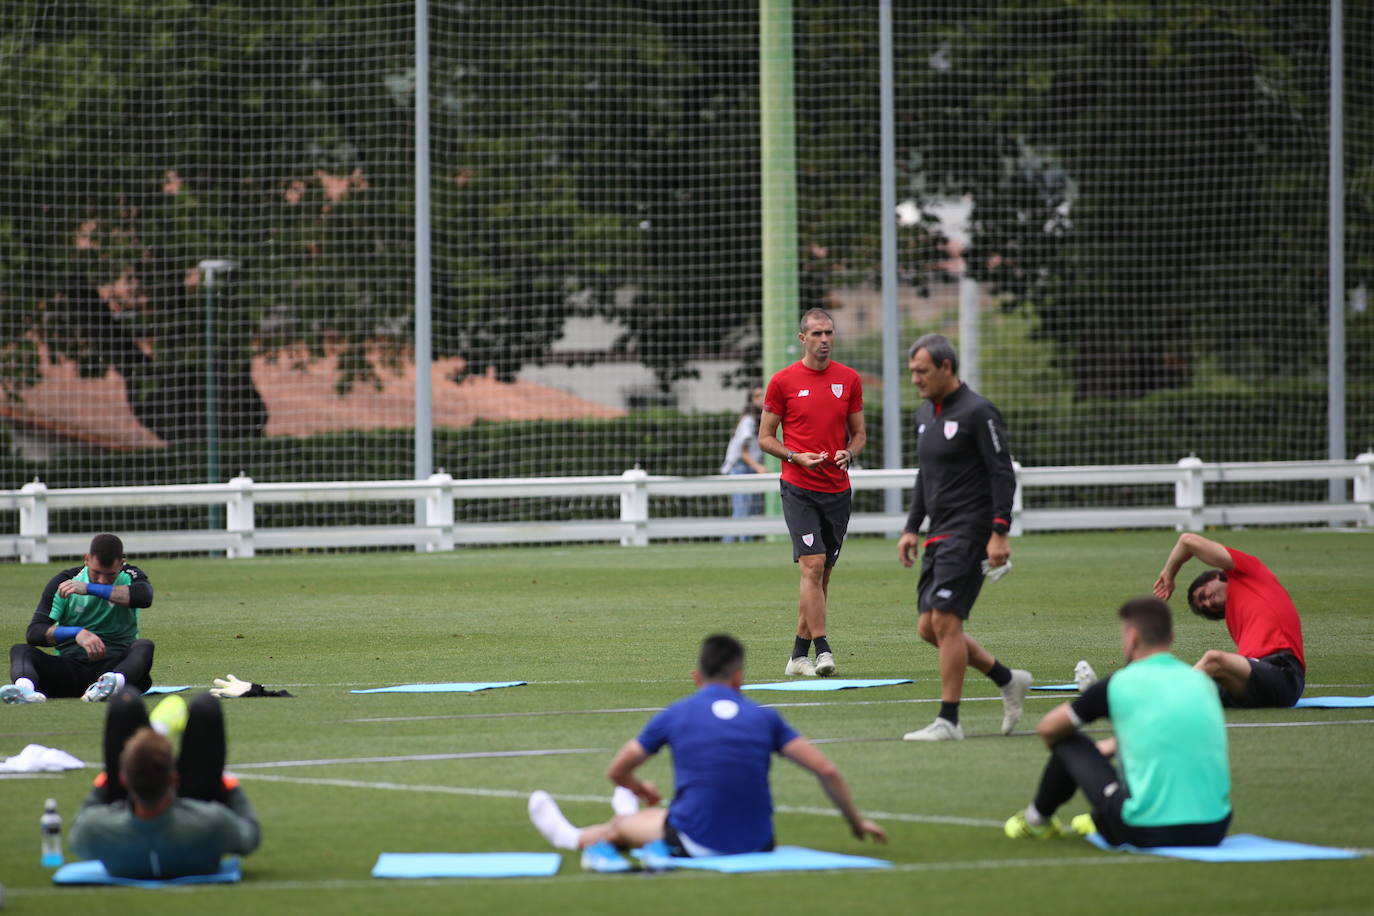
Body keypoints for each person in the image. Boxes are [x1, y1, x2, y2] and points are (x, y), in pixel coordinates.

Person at [527, 633, 886, 859]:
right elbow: (826, 770)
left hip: (697, 840)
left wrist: (641, 786)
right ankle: (628, 811)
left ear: (696, 677)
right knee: (647, 816)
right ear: (740, 676)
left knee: (620, 829)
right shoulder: (765, 717)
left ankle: (572, 838)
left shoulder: (677, 713)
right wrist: (856, 823)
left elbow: (617, 770)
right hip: (760, 843)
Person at [1004, 597, 1232, 847]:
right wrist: (1118, 744)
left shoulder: (1118, 683)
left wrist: (1089, 758)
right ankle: (1104, 812)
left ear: (1132, 637)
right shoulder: (1202, 682)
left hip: (1146, 830)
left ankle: (1037, 821)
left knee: (1069, 742)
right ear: (1171, 637)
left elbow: (1048, 729)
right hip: (1215, 828)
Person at [897, 333, 1031, 740]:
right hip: (938, 533)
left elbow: (1001, 473)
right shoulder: (924, 415)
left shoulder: (979, 412)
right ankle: (1008, 679)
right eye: (912, 373)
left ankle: (949, 721)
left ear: (946, 367)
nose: (916, 380)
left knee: (946, 620)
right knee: (928, 628)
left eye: (922, 372)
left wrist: (999, 533)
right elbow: (926, 476)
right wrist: (910, 527)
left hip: (971, 531)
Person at [758, 308, 866, 677]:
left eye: (829, 333)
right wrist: (794, 456)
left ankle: (797, 655)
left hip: (837, 490)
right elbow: (765, 438)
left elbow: (860, 434)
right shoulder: (783, 381)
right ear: (803, 338)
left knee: (822, 577)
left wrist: (849, 452)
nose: (825, 340)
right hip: (798, 488)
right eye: (817, 333)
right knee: (812, 566)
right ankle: (823, 651)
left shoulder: (849, 379)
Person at [68, 690, 261, 879]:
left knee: (125, 702)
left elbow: (77, 837)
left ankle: (157, 731)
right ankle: (158, 730)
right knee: (205, 706)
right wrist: (232, 787)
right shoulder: (213, 822)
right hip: (193, 825)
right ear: (174, 778)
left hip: (125, 822)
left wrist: (103, 785)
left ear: (123, 779)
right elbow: (249, 837)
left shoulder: (95, 828)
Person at [1152, 532, 1305, 707]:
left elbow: (1187, 541)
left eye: (1204, 595)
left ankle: (1160, 702)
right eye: (1204, 607)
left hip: (1284, 674)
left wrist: (1169, 574)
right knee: (1202, 683)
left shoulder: (1249, 573)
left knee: (1214, 660)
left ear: (1215, 577)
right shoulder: (1236, 621)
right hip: (1253, 684)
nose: (1208, 603)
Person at [3, 533, 155, 704]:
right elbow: (35, 633)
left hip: (115, 665)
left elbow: (144, 597)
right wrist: (76, 633)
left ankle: (111, 685)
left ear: (121, 564)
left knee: (144, 647)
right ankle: (25, 691)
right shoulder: (65, 582)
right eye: (96, 573)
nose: (102, 580)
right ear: (87, 559)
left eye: (110, 575)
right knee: (21, 651)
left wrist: (90, 588)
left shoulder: (129, 575)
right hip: (69, 669)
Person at [720, 386, 767, 543]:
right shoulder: (748, 421)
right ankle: (730, 544)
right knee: (741, 511)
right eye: (758, 396)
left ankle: (745, 543)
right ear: (751, 400)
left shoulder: (759, 419)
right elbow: (743, 452)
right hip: (740, 467)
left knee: (751, 510)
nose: (762, 398)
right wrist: (758, 467)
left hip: (748, 467)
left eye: (763, 395)